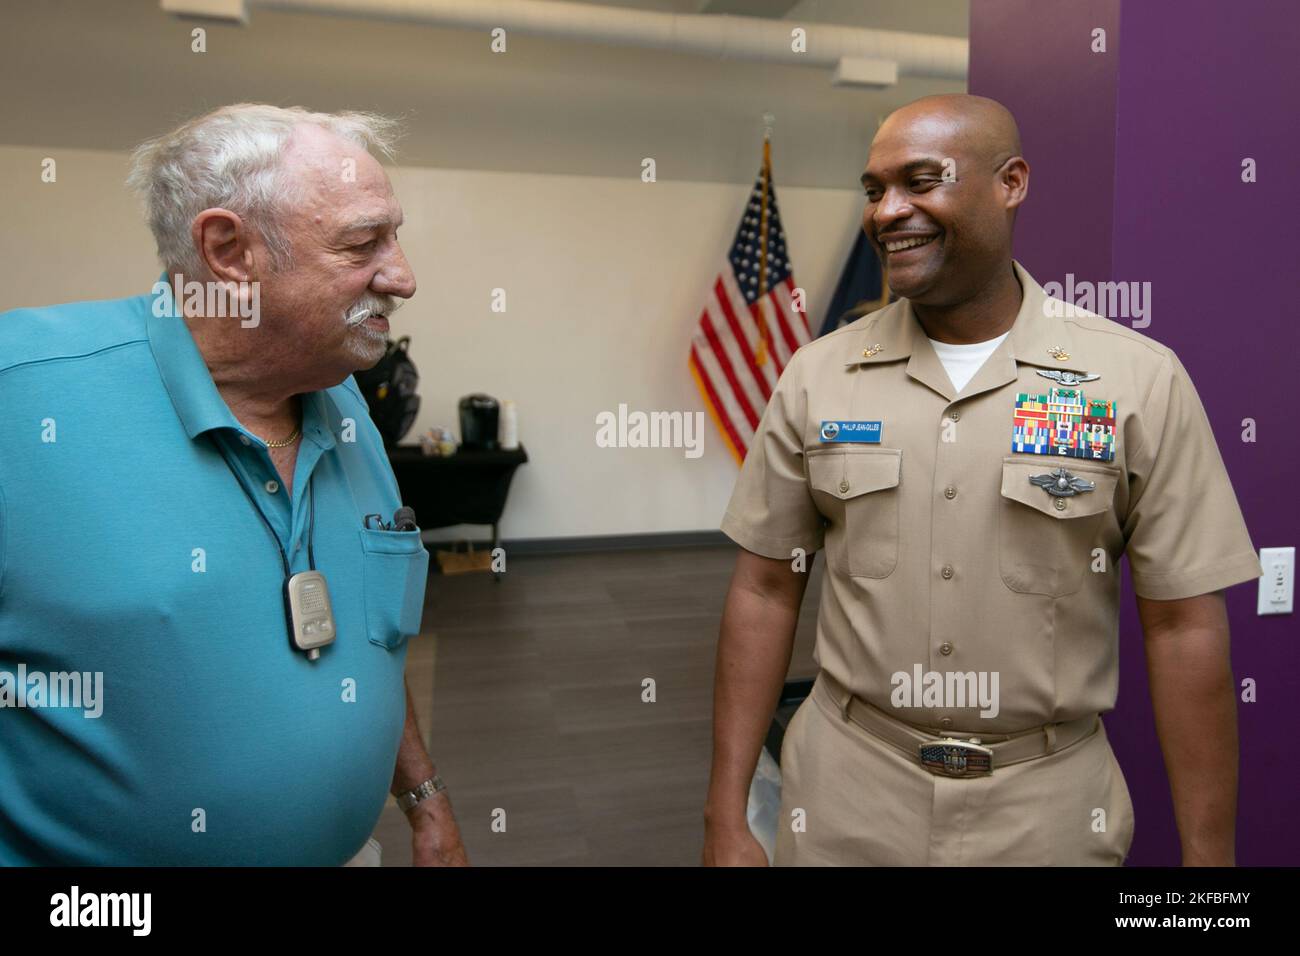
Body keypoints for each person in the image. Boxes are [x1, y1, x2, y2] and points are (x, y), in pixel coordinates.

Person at [703, 94, 1260, 866]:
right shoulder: (819, 375)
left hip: (1047, 813)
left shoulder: (1134, 380)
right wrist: (725, 813)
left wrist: (1210, 869)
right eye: (874, 189)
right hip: (845, 797)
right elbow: (765, 589)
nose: (888, 211)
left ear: (1012, 182)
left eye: (921, 181)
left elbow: (1185, 626)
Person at [0, 104, 467, 866]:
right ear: (227, 249)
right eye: (363, 242)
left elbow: (373, 643)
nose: (403, 277)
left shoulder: (343, 399)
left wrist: (424, 801)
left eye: (396, 236)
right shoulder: (19, 399)